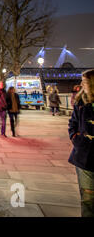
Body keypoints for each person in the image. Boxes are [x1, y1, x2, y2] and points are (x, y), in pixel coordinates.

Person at [68, 69, 94, 217]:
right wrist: (76, 138)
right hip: (84, 155)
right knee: (88, 199)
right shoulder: (80, 101)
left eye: (84, 81)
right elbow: (73, 123)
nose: (81, 84)